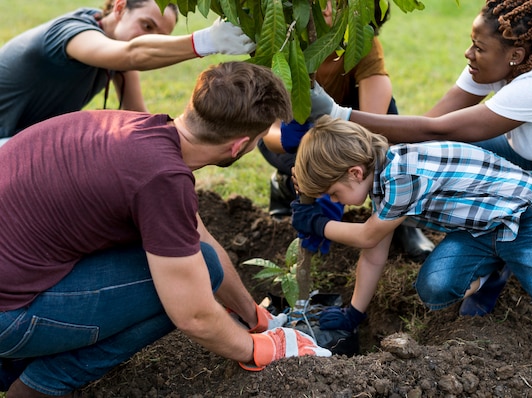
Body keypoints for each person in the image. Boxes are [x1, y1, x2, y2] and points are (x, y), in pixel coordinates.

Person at [0, 61, 331, 398]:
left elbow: (196, 234)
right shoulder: (161, 179)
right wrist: (260, 348)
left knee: (202, 264)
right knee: (188, 283)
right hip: (8, 316)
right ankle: (36, 388)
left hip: (15, 281)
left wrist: (254, 316)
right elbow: (194, 316)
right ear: (238, 146)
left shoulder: (141, 130)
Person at [308, 0, 532, 302]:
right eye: (472, 42)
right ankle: (516, 238)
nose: (468, 53)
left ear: (515, 54)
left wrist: (339, 114)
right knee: (438, 286)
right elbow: (432, 129)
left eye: (479, 48)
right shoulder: (497, 62)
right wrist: (369, 163)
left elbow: (440, 130)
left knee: (492, 200)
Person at [290, 115, 532, 397]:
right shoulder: (384, 187)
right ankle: (496, 268)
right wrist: (353, 314)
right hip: (480, 230)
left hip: (525, 217)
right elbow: (372, 252)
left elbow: (367, 234)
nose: (341, 202)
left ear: (355, 172)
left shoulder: (401, 174)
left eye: (334, 193)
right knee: (434, 287)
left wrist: (320, 224)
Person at [259, 0, 434, 260]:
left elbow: (375, 122)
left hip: (349, 136)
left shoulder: (358, 38)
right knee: (295, 153)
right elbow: (265, 132)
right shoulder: (279, 44)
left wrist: (339, 163)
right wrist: (291, 140)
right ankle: (286, 184)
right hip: (297, 142)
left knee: (390, 120)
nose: (326, 8)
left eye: (335, 1)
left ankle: (401, 218)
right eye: (318, 3)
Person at [0, 0, 256, 142]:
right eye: (147, 26)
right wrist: (207, 41)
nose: (152, 39)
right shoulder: (73, 33)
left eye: (160, 36)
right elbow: (132, 53)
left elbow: (138, 117)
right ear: (120, 7)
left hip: (17, 143)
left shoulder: (114, 47)